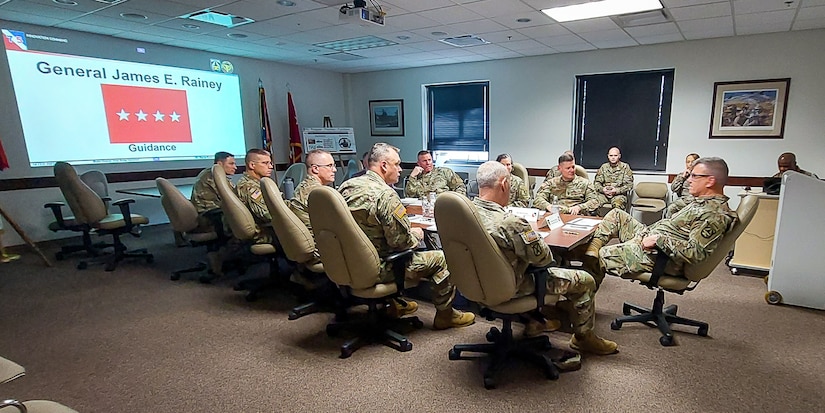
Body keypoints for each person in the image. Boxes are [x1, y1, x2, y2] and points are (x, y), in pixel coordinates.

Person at [471, 161, 617, 355]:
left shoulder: (466, 212)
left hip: (477, 280)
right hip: (513, 285)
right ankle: (584, 339)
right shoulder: (511, 222)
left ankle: (536, 320)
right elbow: (544, 259)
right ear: (505, 184)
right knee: (586, 280)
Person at [339, 143, 475, 329]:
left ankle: (393, 304)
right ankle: (446, 315)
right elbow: (401, 243)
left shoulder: (347, 186)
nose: (401, 169)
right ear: (384, 165)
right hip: (380, 267)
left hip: (349, 263)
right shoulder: (386, 195)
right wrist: (416, 234)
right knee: (443, 258)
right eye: (397, 164)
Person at [582, 157, 738, 288]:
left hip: (660, 256)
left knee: (597, 259)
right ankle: (592, 248)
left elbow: (696, 253)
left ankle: (579, 308)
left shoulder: (713, 215)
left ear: (710, 181)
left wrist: (658, 240)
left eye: (695, 176)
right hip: (651, 238)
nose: (689, 180)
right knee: (617, 215)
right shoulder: (703, 202)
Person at [534, 153, 599, 215]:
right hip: (556, 215)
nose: (572, 170)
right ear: (560, 169)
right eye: (568, 168)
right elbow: (538, 199)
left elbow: (594, 201)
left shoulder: (585, 183)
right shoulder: (551, 183)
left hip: (577, 215)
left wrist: (580, 207)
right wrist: (548, 206)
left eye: (573, 167)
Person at [290, 149, 336, 233]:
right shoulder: (318, 193)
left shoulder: (305, 186)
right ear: (315, 169)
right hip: (320, 240)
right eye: (330, 166)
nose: (334, 170)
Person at [235, 148, 276, 244]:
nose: (270, 167)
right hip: (264, 233)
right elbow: (267, 215)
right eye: (265, 163)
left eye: (270, 163)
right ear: (252, 165)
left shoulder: (254, 183)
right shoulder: (249, 187)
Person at [190, 151, 237, 228]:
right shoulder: (213, 177)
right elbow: (231, 197)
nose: (235, 167)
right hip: (209, 214)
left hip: (212, 211)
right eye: (231, 164)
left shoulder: (211, 173)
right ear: (219, 164)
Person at [593, 147, 634, 214]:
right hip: (604, 194)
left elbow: (629, 185)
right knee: (591, 204)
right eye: (611, 155)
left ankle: (614, 223)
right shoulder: (604, 167)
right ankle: (596, 222)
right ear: (608, 156)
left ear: (619, 156)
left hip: (619, 195)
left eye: (615, 155)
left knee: (617, 207)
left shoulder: (625, 167)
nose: (613, 157)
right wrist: (602, 189)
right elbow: (596, 183)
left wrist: (616, 190)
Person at [666, 153, 700, 218]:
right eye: (688, 162)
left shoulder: (701, 176)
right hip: (683, 200)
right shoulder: (682, 175)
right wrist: (682, 177)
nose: (690, 164)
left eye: (692, 162)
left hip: (695, 201)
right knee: (670, 208)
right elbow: (673, 189)